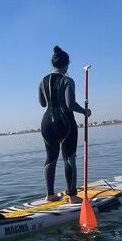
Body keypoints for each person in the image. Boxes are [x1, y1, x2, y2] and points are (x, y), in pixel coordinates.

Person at [39, 46, 92, 204]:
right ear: (67, 64)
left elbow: (42, 103)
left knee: (50, 158)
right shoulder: (67, 80)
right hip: (65, 122)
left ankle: (50, 195)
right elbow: (70, 104)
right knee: (69, 158)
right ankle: (72, 196)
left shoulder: (43, 80)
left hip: (47, 122)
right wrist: (85, 111)